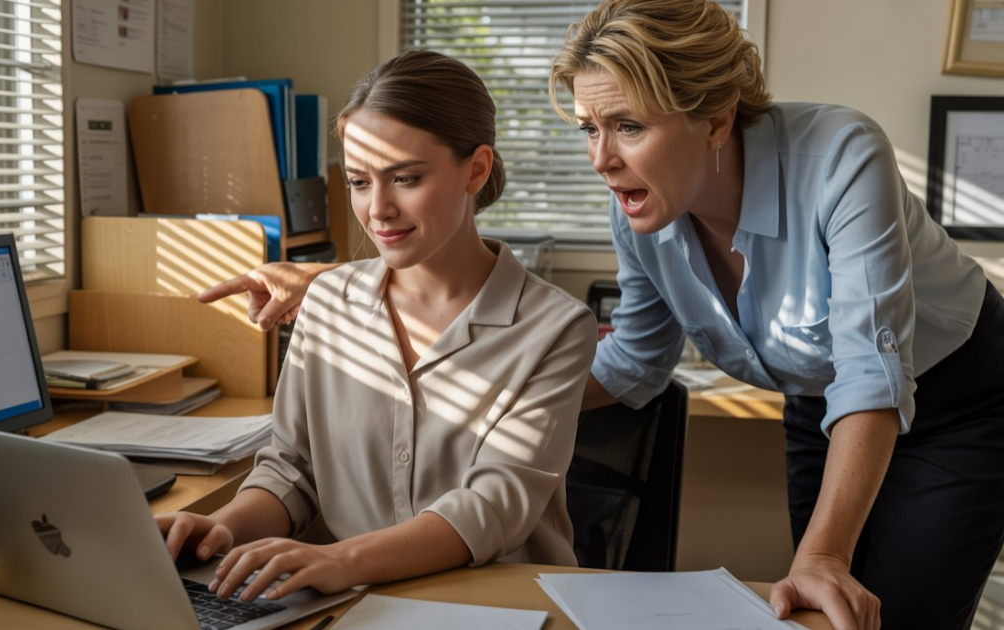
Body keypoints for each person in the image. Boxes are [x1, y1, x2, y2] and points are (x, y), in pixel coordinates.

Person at [198, 2, 1004, 629]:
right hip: (820, 402)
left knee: (891, 607)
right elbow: (636, 365)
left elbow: (871, 363)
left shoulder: (840, 157)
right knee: (827, 612)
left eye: (629, 126)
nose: (599, 157)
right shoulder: (641, 211)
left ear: (715, 117)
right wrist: (369, 313)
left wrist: (824, 551)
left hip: (960, 394)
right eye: (588, 127)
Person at [159, 49, 597, 604]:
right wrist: (224, 526)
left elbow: (494, 505)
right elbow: (291, 473)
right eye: (360, 182)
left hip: (495, 605)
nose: (378, 209)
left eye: (406, 179)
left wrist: (340, 560)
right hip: (350, 603)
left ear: (476, 169)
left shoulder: (554, 328)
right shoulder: (326, 304)